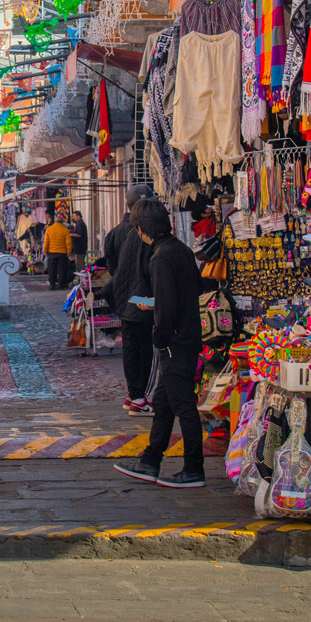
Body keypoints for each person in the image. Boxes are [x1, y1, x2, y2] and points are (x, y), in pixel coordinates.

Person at [114, 198, 205, 488]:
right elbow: (178, 296)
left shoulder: (161, 256)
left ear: (142, 229)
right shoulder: (178, 250)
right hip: (184, 335)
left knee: (184, 406)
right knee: (164, 405)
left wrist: (159, 335)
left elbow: (167, 306)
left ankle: (194, 469)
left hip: (176, 341)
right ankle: (150, 461)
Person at [112, 188, 157, 417]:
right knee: (143, 351)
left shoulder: (121, 234)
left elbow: (113, 265)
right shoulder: (141, 237)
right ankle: (138, 396)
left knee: (131, 349)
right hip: (139, 301)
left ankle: (134, 394)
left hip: (126, 299)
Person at [42, 210, 73, 290]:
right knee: (61, 269)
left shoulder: (49, 229)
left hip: (52, 253)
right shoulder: (65, 230)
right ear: (62, 222)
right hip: (62, 253)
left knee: (52, 269)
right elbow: (68, 243)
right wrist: (68, 252)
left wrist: (45, 250)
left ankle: (52, 284)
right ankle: (61, 284)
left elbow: (46, 241)